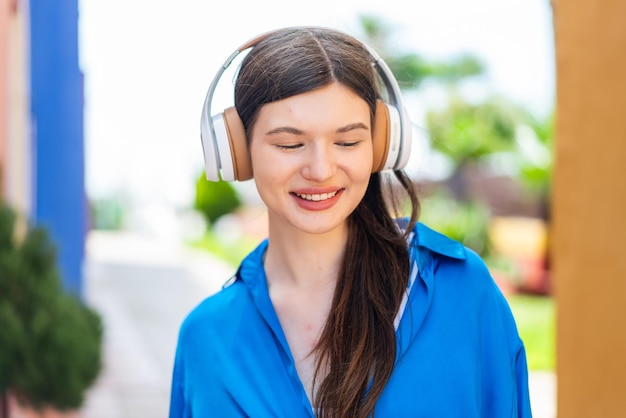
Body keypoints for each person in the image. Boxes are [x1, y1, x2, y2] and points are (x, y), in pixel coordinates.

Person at [169, 26, 532, 418]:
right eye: (290, 144)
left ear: (380, 145)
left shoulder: (459, 291)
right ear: (236, 151)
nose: (321, 170)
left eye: (347, 142)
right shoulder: (207, 339)